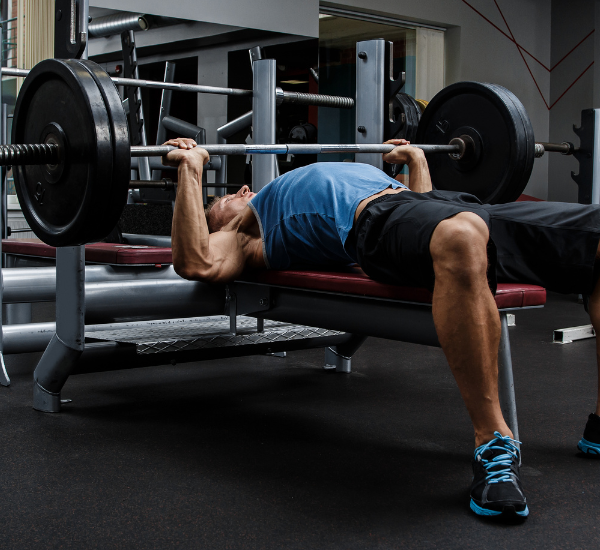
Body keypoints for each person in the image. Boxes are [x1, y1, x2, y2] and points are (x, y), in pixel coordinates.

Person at [163, 136, 600, 519]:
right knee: (461, 237)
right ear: (216, 222)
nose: (240, 191)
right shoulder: (244, 232)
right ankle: (494, 445)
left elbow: (422, 231)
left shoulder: (266, 198)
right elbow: (195, 260)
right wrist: (192, 170)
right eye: (222, 203)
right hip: (372, 222)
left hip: (434, 204)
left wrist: (417, 164)